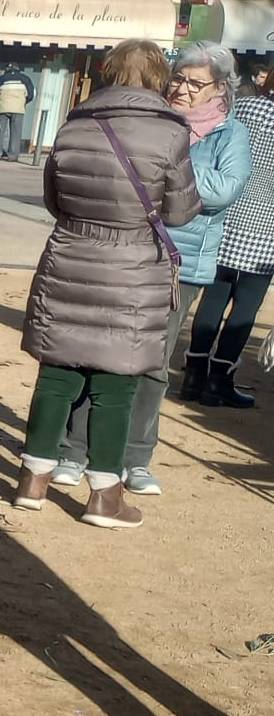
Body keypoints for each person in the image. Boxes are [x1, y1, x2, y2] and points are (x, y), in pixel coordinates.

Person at [12, 40, 197, 530]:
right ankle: (105, 496)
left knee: (57, 372)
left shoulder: (73, 125)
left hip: (70, 254)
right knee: (116, 384)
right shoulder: (171, 136)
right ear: (160, 78)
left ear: (108, 73)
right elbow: (179, 211)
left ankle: (32, 481)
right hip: (134, 266)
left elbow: (53, 198)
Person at [57, 42, 254, 490]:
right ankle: (76, 450)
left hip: (180, 266)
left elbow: (224, 191)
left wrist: (167, 164)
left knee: (154, 364)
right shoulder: (155, 120)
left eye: (194, 82)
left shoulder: (231, 134)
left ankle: (136, 458)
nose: (182, 89)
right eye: (178, 79)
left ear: (220, 89)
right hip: (133, 252)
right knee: (99, 351)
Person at [185, 81, 274, 409]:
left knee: (214, 296)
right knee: (246, 307)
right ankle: (219, 381)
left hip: (226, 214)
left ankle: (194, 373)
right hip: (267, 228)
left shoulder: (243, 109)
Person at [0, 63, 35, 161]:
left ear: (7, 69)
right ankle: (12, 156)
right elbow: (30, 95)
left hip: (2, 107)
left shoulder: (2, 78)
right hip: (18, 108)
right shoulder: (25, 79)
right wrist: (24, 102)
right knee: (16, 133)